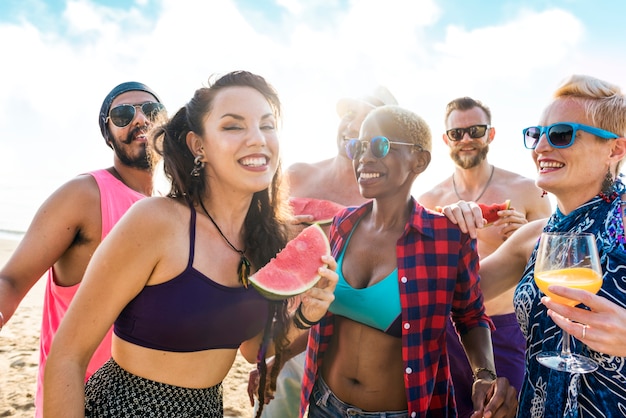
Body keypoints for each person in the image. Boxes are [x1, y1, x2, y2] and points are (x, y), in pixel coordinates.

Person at [43, 70, 338, 417]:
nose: (258, 139)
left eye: (267, 125)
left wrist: (305, 315)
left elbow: (251, 349)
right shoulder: (155, 221)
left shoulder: (266, 239)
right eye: (233, 126)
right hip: (123, 407)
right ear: (199, 146)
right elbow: (66, 357)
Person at [300, 104, 517, 417]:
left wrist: (484, 374)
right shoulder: (342, 224)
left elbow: (470, 315)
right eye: (358, 147)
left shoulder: (447, 236)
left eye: (379, 145)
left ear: (419, 159)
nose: (364, 158)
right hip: (323, 403)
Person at [447, 74, 626, 416]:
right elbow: (454, 295)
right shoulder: (533, 238)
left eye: (561, 135)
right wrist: (450, 230)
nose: (542, 147)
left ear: (614, 148)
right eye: (536, 134)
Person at [0, 81, 165, 417]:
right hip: (79, 400)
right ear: (108, 135)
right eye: (122, 114)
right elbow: (11, 282)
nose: (139, 120)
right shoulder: (83, 195)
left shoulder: (174, 211)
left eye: (150, 111)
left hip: (150, 402)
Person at [248, 86, 398, 417]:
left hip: (340, 350)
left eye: (367, 119)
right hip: (281, 328)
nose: (353, 125)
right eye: (349, 115)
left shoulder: (386, 203)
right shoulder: (297, 175)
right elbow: (258, 245)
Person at [418, 97, 552, 416]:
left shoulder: (527, 191)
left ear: (490, 135)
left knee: (503, 411)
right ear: (445, 139)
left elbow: (548, 272)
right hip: (447, 331)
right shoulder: (428, 199)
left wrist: (524, 238)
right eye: (457, 133)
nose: (466, 139)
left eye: (475, 130)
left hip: (505, 330)